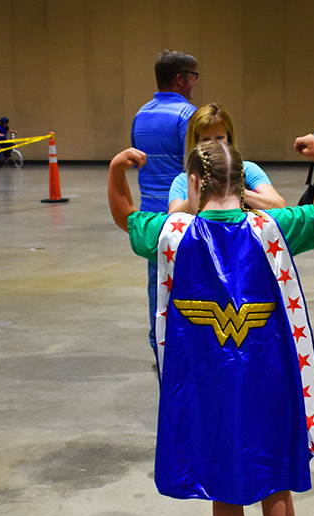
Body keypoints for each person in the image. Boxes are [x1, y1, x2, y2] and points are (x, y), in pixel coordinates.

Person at [107, 134, 314, 516]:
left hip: (207, 389)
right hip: (268, 381)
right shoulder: (271, 229)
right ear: (242, 180)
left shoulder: (172, 234)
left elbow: (125, 216)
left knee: (224, 477)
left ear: (195, 182)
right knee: (271, 468)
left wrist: (115, 169)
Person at [131, 50, 199, 357]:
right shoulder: (187, 116)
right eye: (193, 77)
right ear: (181, 78)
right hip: (182, 214)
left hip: (151, 215)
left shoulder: (140, 115)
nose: (195, 84)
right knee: (190, 280)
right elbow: (197, 167)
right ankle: (184, 346)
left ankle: (157, 343)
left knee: (157, 281)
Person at [167, 103, 285, 214]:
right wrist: (202, 190)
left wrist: (234, 190)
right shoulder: (183, 180)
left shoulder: (248, 169)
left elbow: (279, 206)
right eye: (206, 140)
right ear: (195, 142)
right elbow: (172, 219)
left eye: (219, 138)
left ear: (228, 138)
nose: (214, 145)